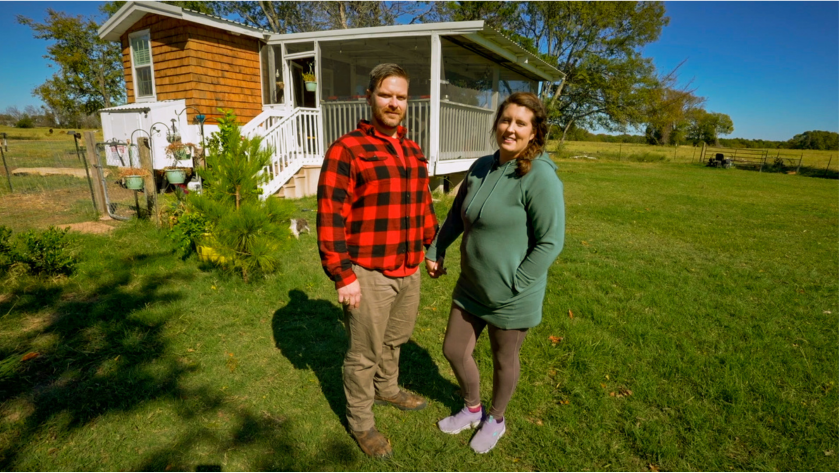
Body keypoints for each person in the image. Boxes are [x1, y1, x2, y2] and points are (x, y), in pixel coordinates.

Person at [425, 92, 565, 454]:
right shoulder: (481, 166)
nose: (511, 128)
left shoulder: (540, 178)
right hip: (471, 286)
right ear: (496, 123)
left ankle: (496, 419)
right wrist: (437, 249)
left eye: (521, 123)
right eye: (506, 120)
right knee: (454, 350)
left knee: (505, 361)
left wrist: (516, 283)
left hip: (513, 295)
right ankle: (473, 408)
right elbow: (458, 215)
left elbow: (550, 242)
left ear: (534, 132)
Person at [317, 63, 438, 459]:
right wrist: (342, 275)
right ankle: (361, 422)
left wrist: (431, 248)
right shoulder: (347, 149)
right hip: (367, 271)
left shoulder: (412, 150)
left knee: (396, 339)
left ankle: (387, 390)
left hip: (408, 267)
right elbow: (330, 215)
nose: (394, 103)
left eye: (401, 97)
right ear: (368, 96)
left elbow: (423, 206)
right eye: (386, 94)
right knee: (364, 352)